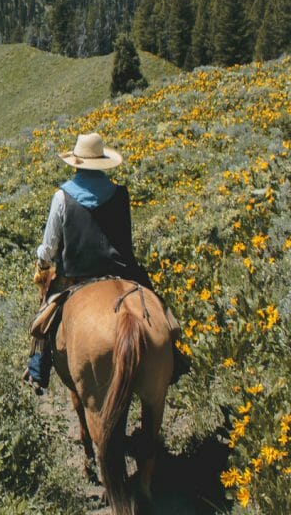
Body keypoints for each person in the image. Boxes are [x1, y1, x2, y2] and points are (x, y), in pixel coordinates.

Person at [26, 132, 188, 390]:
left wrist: (42, 265)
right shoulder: (120, 194)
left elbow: (49, 246)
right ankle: (174, 356)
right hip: (122, 272)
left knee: (43, 319)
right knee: (160, 311)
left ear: (76, 163)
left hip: (76, 276)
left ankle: (38, 369)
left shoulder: (62, 197)